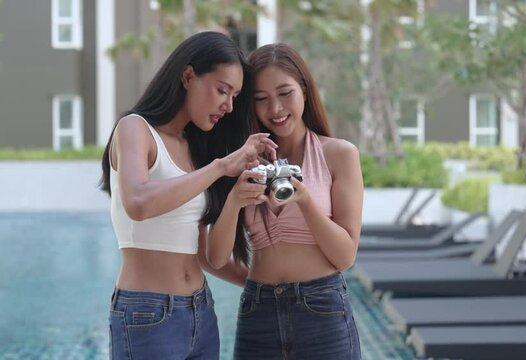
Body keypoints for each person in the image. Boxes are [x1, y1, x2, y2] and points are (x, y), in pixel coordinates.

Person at [99, 31, 277, 360]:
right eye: (222, 90)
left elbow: (204, 255)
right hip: (147, 315)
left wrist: (273, 285)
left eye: (235, 96)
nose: (228, 105)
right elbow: (138, 202)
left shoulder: (193, 149)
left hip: (201, 312)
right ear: (188, 76)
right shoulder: (135, 129)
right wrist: (222, 166)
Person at [210, 43, 363, 359]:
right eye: (261, 100)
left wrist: (305, 201)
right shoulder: (243, 159)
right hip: (258, 311)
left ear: (305, 91)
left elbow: (345, 256)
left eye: (285, 93)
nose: (275, 109)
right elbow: (214, 257)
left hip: (322, 308)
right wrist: (235, 200)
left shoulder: (340, 155)